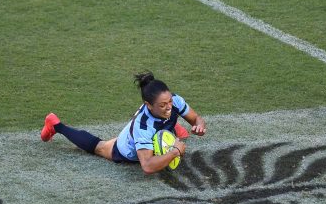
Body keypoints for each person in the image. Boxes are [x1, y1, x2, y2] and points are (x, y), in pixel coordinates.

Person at [41, 72, 207, 174]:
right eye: (163, 105)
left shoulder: (174, 101)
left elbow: (196, 118)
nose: (169, 107)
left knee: (165, 122)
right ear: (148, 105)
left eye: (169, 101)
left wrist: (199, 126)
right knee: (99, 147)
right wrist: (174, 152)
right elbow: (148, 167)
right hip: (127, 149)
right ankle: (56, 125)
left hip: (146, 131)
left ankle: (168, 129)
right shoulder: (143, 127)